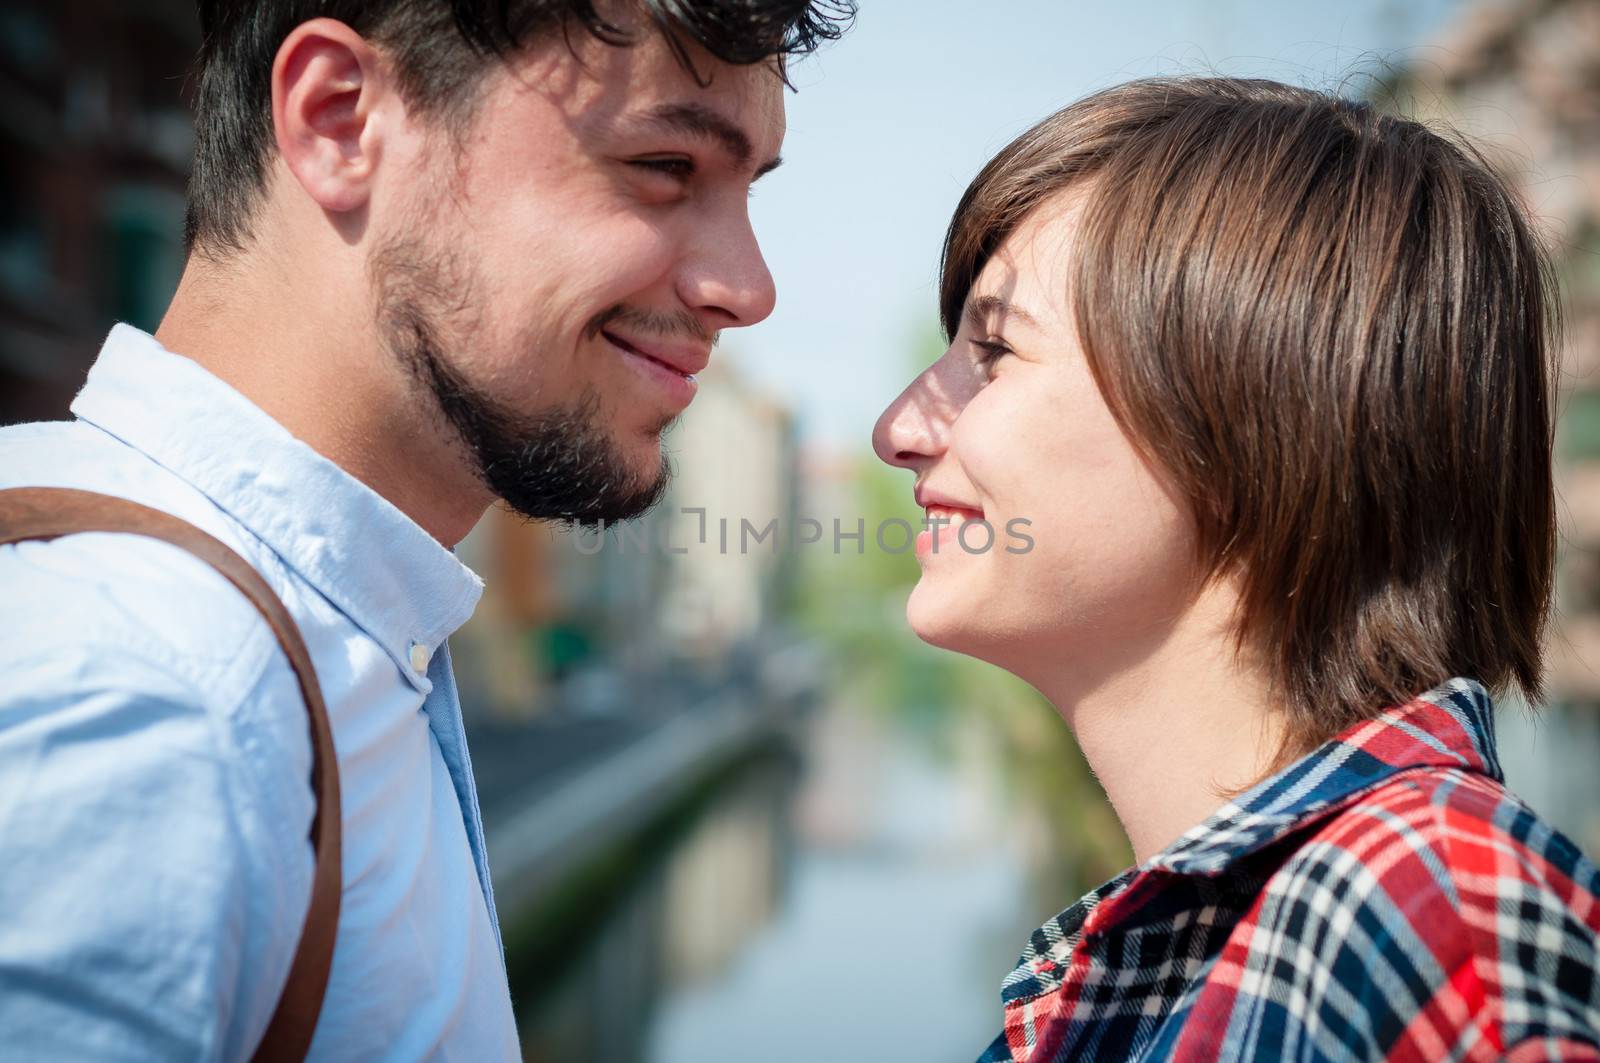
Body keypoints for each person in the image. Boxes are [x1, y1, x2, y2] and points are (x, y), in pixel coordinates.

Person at [0, 0, 850, 1058]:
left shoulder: (321, 634)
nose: (747, 288)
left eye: (746, 190)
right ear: (340, 120)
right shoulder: (139, 700)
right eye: (666, 165)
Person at [874, 77, 1600, 1062]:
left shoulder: (1432, 920)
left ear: (1251, 412)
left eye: (994, 351)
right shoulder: (1244, 935)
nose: (899, 430)